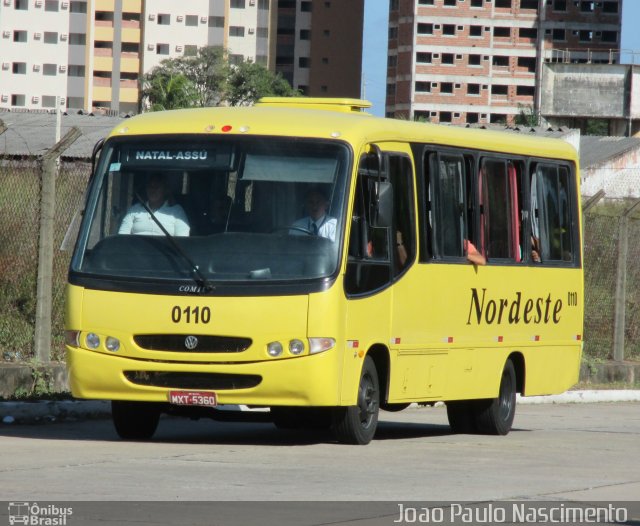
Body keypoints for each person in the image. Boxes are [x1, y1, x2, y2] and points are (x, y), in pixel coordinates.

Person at [118, 173, 190, 236]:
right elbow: (122, 236)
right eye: (150, 186)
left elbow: (182, 239)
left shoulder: (176, 211)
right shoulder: (134, 210)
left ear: (165, 190)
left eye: (156, 187)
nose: (153, 190)